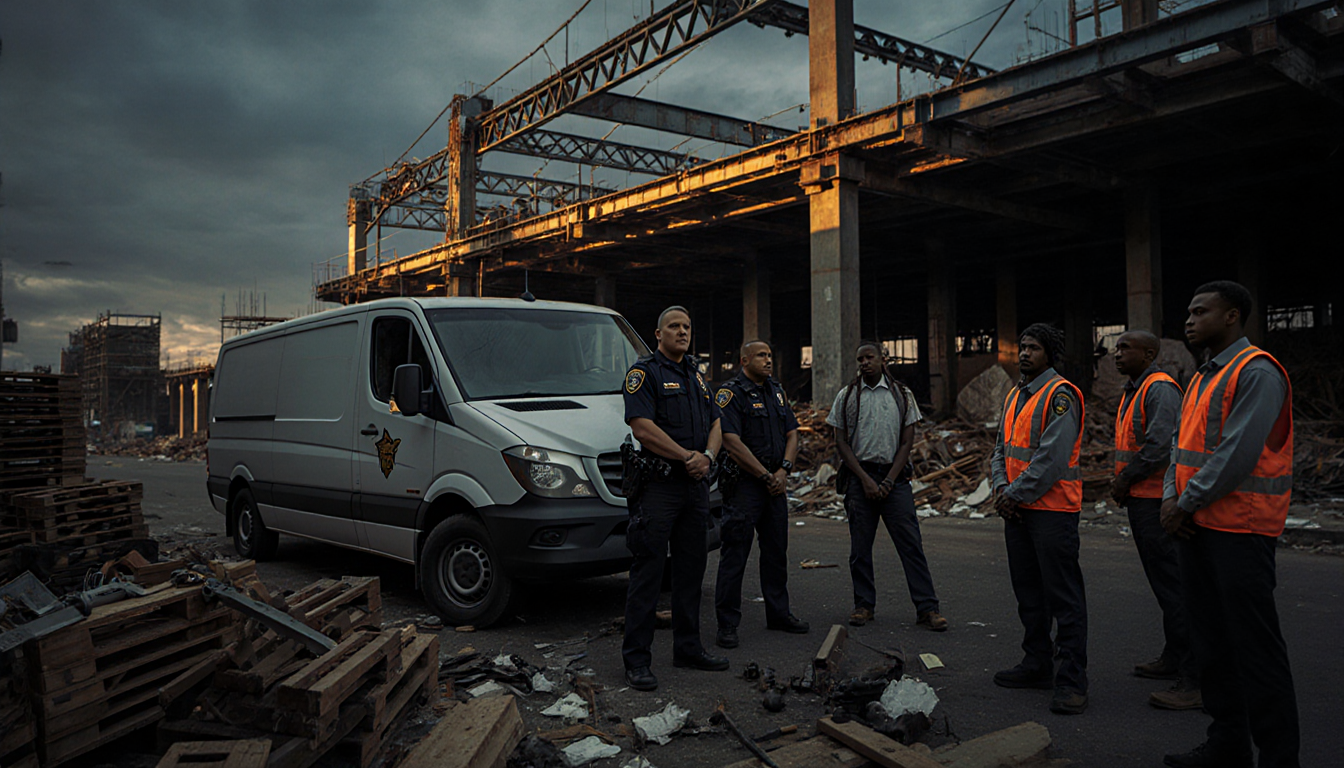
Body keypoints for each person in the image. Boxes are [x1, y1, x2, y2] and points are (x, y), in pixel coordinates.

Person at [1161, 282, 1299, 768]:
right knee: (1213, 645)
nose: (1190, 320)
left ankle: (1279, 758)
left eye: (1202, 312)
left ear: (1233, 317)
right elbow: (1181, 447)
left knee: (1255, 651)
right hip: (1197, 526)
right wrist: (1171, 496)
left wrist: (1185, 501)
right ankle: (1228, 745)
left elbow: (1237, 453)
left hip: (1240, 530)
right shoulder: (1202, 377)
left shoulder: (1257, 372)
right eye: (1189, 311)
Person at [620, 306, 729, 692]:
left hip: (695, 488)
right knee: (648, 574)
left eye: (687, 326)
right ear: (658, 333)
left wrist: (709, 457)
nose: (682, 332)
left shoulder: (698, 378)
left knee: (691, 573)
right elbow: (642, 429)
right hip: (659, 488)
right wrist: (686, 456)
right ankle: (636, 660)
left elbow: (717, 422)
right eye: (674, 326)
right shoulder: (644, 374)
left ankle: (688, 648)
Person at [990, 323, 1089, 716]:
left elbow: (1051, 459)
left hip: (1052, 512)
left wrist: (1012, 495)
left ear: (1050, 353)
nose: (1025, 354)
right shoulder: (1016, 395)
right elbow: (1000, 449)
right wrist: (1001, 489)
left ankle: (1072, 681)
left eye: (1033, 348)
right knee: (1029, 595)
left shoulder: (1060, 395)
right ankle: (1037, 664)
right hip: (1018, 510)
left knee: (1063, 599)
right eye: (1022, 348)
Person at [827, 341, 948, 632]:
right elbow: (841, 442)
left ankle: (927, 608)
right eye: (860, 359)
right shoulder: (847, 396)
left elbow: (907, 441)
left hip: (895, 478)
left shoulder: (901, 395)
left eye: (870, 357)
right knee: (860, 548)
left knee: (911, 546)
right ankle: (864, 606)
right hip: (860, 478)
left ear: (884, 359)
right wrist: (866, 480)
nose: (864, 363)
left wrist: (889, 480)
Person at [1111, 330, 1201, 711]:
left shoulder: (1159, 388)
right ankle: (1174, 656)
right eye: (1116, 348)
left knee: (1175, 587)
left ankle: (1195, 674)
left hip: (1154, 502)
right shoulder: (1136, 388)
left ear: (1149, 354)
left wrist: (1125, 477)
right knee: (1165, 585)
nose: (1116, 354)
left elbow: (1161, 444)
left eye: (1124, 348)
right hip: (1141, 500)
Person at [713, 340, 808, 649]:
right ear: (745, 360)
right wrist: (765, 475)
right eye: (762, 356)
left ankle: (778, 614)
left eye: (770, 355)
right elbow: (730, 439)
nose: (769, 360)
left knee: (776, 553)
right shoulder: (732, 393)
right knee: (735, 556)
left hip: (775, 484)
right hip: (745, 485)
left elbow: (793, 433)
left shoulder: (776, 392)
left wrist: (783, 471)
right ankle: (727, 624)